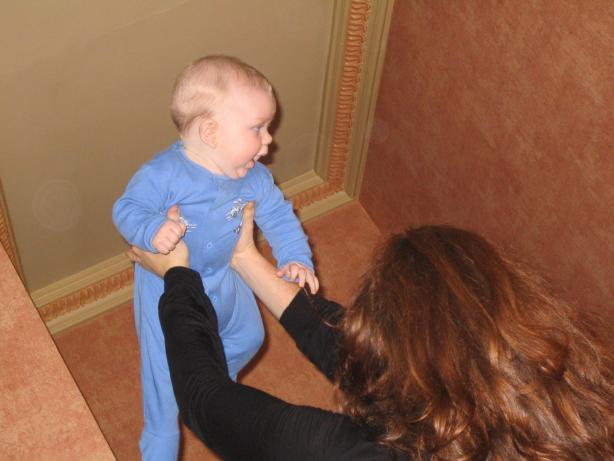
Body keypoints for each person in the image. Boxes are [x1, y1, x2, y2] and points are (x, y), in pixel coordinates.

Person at [129, 203, 614, 461]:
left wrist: (177, 276)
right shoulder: (584, 409)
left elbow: (205, 399)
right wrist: (245, 259)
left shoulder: (343, 455)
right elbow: (352, 353)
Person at [113, 55, 318, 460]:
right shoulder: (164, 174)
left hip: (223, 277)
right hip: (165, 287)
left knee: (251, 336)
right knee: (164, 393)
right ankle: (160, 440)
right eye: (257, 128)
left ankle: (213, 387)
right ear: (210, 132)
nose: (269, 141)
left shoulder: (255, 177)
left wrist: (296, 257)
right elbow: (126, 208)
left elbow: (279, 216)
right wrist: (152, 229)